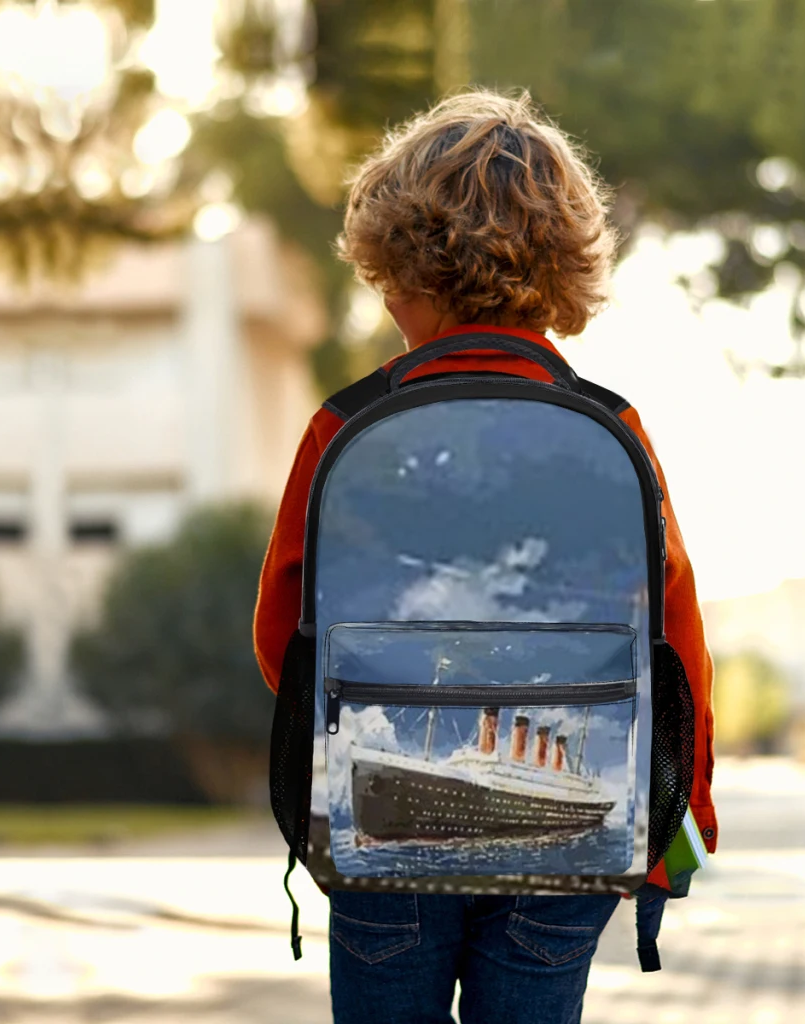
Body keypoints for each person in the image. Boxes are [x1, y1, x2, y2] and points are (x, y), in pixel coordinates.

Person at [254, 88, 716, 1024]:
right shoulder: (612, 427)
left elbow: (280, 635)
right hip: (572, 825)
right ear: (565, 268)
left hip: (384, 832)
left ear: (399, 268)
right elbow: (675, 638)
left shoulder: (343, 426)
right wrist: (683, 813)